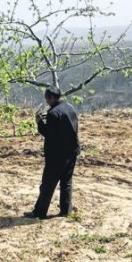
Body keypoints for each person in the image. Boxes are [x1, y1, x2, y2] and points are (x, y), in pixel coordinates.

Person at [24, 86, 80, 219]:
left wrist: (39, 123)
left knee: (48, 184)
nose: (46, 102)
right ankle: (66, 210)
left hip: (57, 155)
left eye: (47, 99)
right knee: (66, 182)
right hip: (72, 151)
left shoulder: (53, 113)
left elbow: (49, 134)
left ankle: (39, 212)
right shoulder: (70, 107)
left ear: (50, 97)